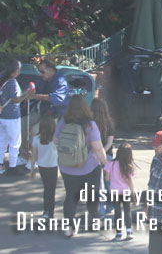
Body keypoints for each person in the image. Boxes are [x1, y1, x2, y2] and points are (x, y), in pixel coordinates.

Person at [55, 95, 108, 237]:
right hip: (89, 167)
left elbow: (55, 141)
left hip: (67, 167)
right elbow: (98, 148)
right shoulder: (90, 125)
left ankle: (68, 228)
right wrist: (107, 166)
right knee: (92, 196)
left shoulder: (62, 121)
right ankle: (95, 221)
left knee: (71, 197)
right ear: (86, 107)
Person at [0, 59, 28, 175]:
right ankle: (12, 166)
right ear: (16, 71)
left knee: (2, 141)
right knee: (15, 142)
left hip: (2, 115)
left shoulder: (2, 78)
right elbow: (16, 99)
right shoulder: (13, 82)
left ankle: (0, 164)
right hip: (12, 116)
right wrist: (26, 95)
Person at [105, 142, 137, 241]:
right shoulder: (128, 166)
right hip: (125, 192)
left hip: (114, 192)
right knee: (127, 211)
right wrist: (133, 194)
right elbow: (130, 182)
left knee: (117, 212)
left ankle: (118, 233)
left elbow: (106, 178)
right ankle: (128, 232)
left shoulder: (111, 163)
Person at [28, 115, 58, 219]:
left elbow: (34, 156)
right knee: (52, 190)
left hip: (42, 166)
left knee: (46, 189)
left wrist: (32, 169)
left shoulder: (36, 139)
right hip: (53, 166)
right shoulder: (55, 139)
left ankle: (46, 211)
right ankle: (51, 213)